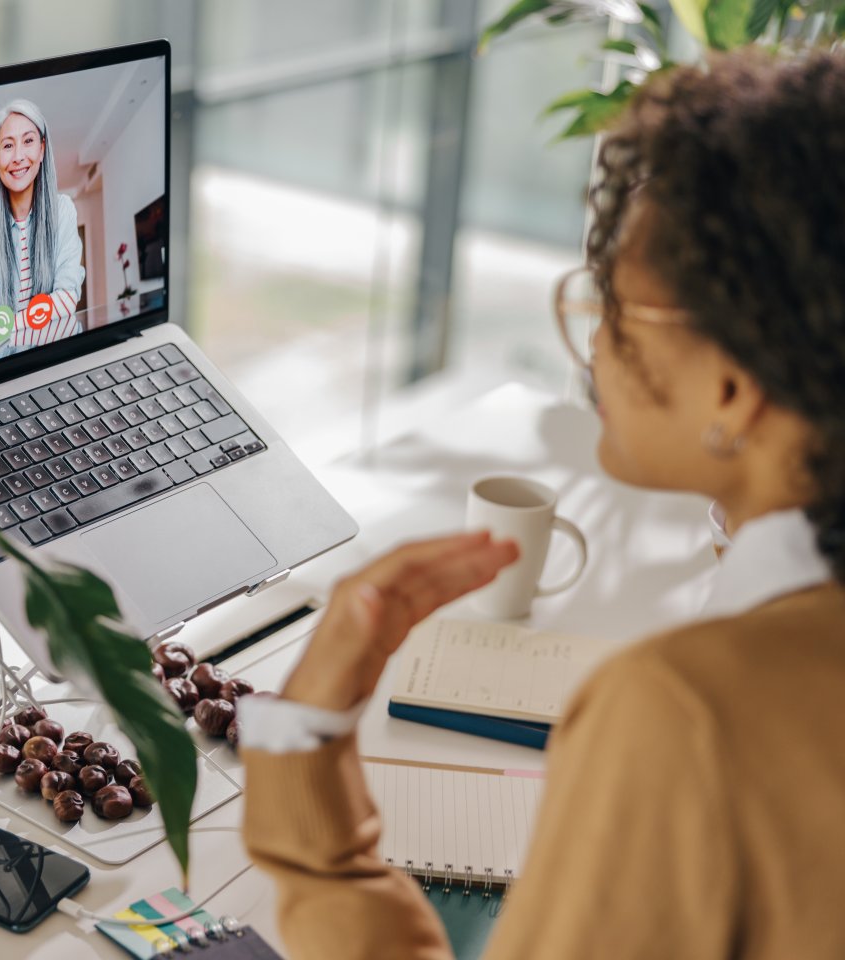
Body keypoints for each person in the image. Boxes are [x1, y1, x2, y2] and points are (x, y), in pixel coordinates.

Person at [239, 49, 845, 959]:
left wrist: (304, 744)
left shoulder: (684, 714)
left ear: (732, 387)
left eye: (614, 307)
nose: (593, 345)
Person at [0, 98, 84, 354]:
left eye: (28, 141)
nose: (18, 156)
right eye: (8, 145)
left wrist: (0, 328)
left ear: (43, 149)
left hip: (58, 358)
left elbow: (67, 298)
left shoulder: (63, 210)